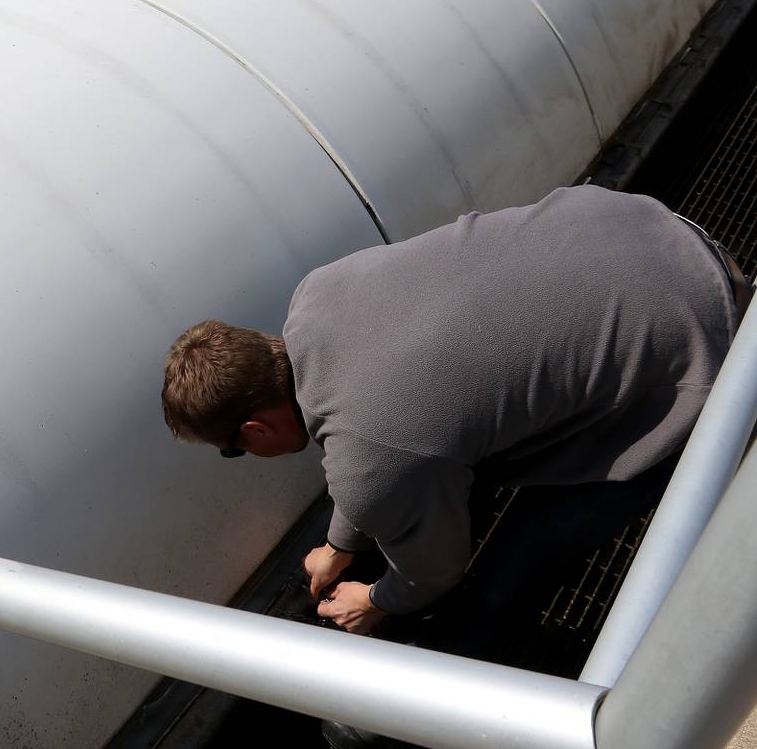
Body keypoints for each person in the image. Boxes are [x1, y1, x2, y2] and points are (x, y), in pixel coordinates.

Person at [160, 187, 748, 717]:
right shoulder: (319, 290)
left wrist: (376, 600)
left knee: (515, 568)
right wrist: (340, 545)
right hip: (655, 229)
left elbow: (434, 567)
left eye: (231, 449)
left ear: (255, 429)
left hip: (710, 351)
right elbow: (380, 449)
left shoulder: (374, 453)